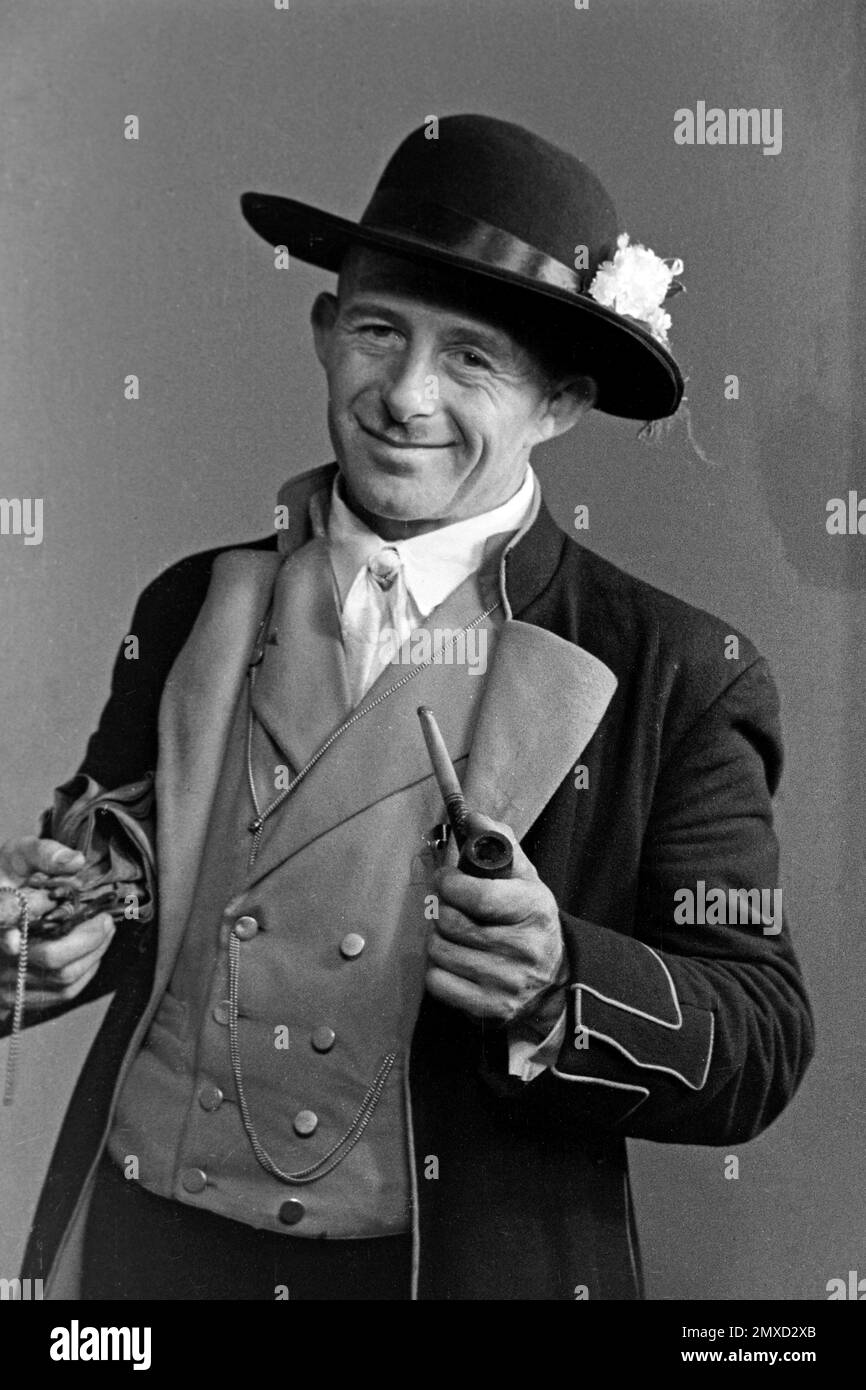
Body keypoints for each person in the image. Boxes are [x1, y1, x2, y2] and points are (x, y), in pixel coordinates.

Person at [0, 114, 813, 1301]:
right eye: (378, 330)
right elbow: (155, 886)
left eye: (471, 358)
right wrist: (63, 929)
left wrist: (558, 979)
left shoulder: (677, 670)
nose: (405, 395)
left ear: (560, 403)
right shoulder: (190, 602)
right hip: (140, 1257)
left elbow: (759, 1035)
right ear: (325, 331)